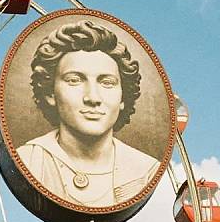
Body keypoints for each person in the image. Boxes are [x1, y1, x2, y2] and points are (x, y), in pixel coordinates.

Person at [17, 20, 159, 208]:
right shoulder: (28, 160)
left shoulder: (145, 170)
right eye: (74, 80)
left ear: (123, 97)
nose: (93, 97)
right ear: (50, 93)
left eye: (107, 82)